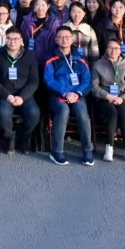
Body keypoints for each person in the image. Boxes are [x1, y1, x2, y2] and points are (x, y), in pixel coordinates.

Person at [41, 27, 94, 166]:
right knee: (63, 110)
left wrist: (77, 93)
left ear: (72, 39)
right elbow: (48, 80)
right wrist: (65, 92)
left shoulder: (80, 57)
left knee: (82, 113)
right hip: (58, 95)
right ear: (56, 39)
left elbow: (87, 80)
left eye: (67, 37)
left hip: (77, 95)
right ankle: (57, 151)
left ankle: (87, 151)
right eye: (61, 37)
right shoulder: (50, 57)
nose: (64, 39)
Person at [0, 28, 40, 155]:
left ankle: (23, 137)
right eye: (9, 39)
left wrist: (22, 97)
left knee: (34, 113)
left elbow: (34, 81)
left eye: (16, 39)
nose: (12, 42)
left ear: (21, 41)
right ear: (5, 40)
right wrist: (7, 95)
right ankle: (9, 138)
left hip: (24, 95)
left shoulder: (29, 56)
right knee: (3, 113)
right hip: (5, 94)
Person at [90, 36, 125, 163]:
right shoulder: (98, 65)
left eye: (116, 48)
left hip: (121, 97)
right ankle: (109, 147)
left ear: (120, 50)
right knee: (112, 113)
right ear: (106, 49)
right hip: (103, 98)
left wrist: (122, 98)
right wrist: (107, 96)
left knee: (123, 113)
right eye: (110, 48)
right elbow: (94, 87)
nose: (113, 51)